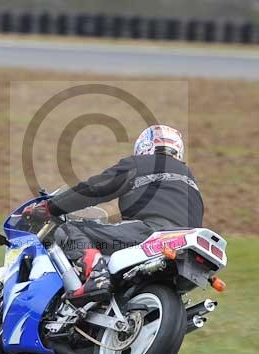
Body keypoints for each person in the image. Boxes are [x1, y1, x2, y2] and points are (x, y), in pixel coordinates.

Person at [25, 125, 204, 303]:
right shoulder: (189, 179)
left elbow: (94, 189)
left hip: (150, 233)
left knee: (69, 230)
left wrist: (49, 207)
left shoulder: (141, 164)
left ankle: (97, 277)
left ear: (145, 145)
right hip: (184, 248)